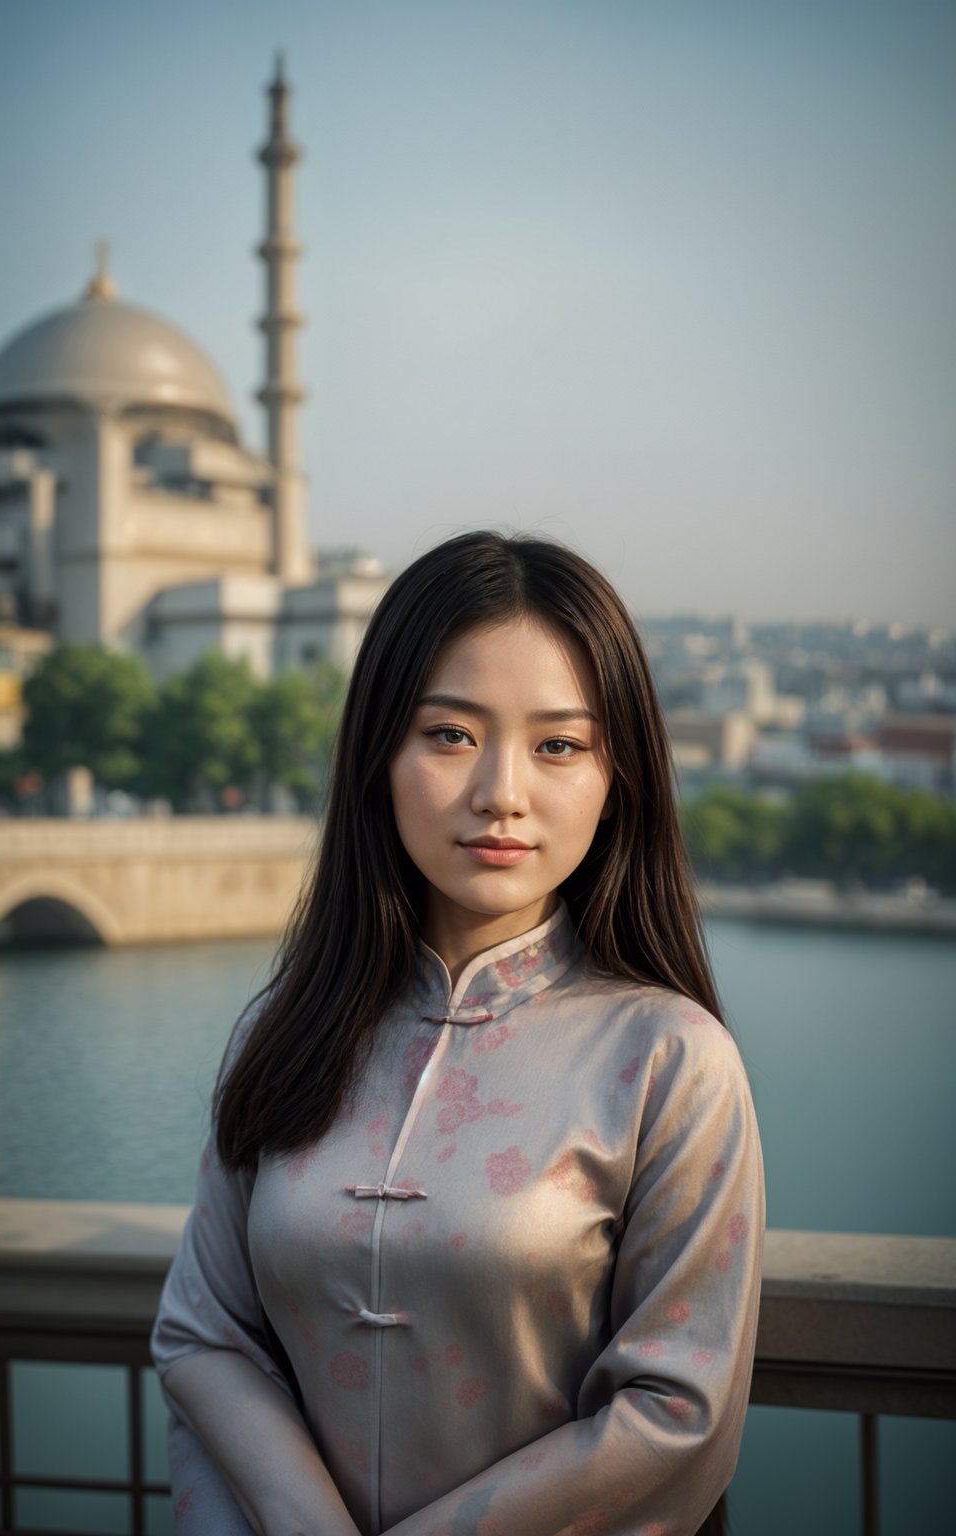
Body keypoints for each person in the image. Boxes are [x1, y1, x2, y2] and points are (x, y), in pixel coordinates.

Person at [151, 531, 764, 1536]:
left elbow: (676, 1412)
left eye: (558, 745)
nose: (502, 794)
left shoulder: (669, 1061)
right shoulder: (280, 1030)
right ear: (377, 754)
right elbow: (203, 1336)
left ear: (619, 781)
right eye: (449, 735)